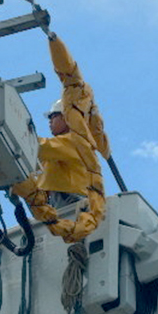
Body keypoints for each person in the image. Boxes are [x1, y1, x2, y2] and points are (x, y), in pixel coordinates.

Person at [11, 32, 110, 243]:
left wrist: (10, 132)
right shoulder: (61, 147)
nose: (50, 122)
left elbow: (37, 147)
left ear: (66, 117)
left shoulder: (74, 142)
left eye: (54, 117)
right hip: (56, 202)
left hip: (70, 201)